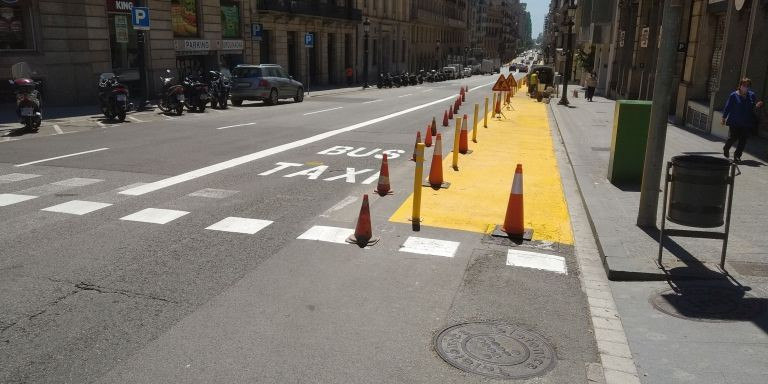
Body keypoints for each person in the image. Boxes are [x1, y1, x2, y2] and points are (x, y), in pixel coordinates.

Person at [721, 77, 764, 162]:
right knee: (733, 137)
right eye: (744, 85)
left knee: (743, 140)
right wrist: (724, 118)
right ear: (740, 85)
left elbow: (752, 107)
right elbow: (728, 107)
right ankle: (726, 148)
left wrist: (757, 105)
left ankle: (737, 156)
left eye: (747, 85)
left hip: (746, 122)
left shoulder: (751, 95)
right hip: (734, 121)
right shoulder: (733, 95)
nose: (745, 87)